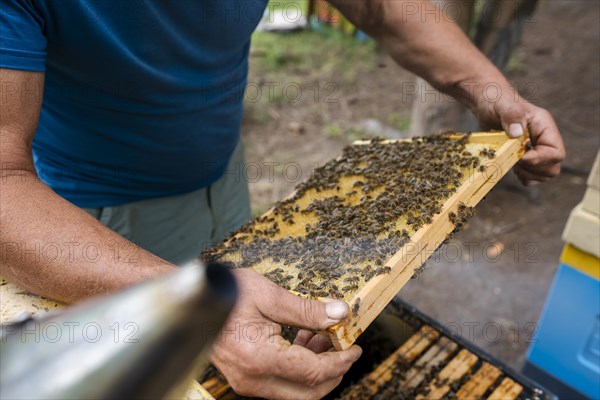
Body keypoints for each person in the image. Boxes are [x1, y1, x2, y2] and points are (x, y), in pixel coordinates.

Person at [0, 1, 564, 398]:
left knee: (263, 342)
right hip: (87, 227)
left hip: (226, 176)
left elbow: (380, 6)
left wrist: (489, 91)